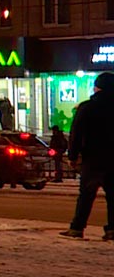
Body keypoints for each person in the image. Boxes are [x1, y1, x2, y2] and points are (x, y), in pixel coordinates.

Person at [60, 72, 114, 240]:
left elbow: (76, 133)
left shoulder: (87, 107)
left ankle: (77, 227)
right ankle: (112, 230)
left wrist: (73, 155)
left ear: (97, 88)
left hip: (93, 158)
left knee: (86, 195)